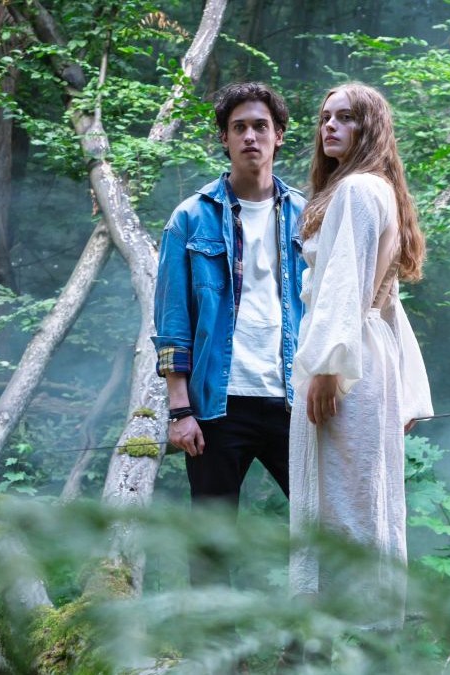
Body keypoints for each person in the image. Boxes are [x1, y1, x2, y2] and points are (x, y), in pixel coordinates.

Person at [152, 82, 306, 584]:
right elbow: (172, 322)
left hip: (294, 400)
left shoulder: (309, 216)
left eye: (261, 126)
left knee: (323, 529)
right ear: (224, 138)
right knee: (212, 545)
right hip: (218, 406)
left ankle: (317, 631)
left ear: (279, 135)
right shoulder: (190, 217)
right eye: (239, 127)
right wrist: (179, 410)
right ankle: (213, 634)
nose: (250, 136)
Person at [288, 82, 433, 601]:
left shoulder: (357, 191)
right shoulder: (379, 190)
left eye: (345, 117)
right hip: (367, 357)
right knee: (362, 492)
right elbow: (384, 301)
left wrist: (329, 368)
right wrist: (407, 388)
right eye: (326, 117)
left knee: (342, 498)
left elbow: (349, 289)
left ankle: (341, 622)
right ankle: (367, 622)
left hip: (347, 363)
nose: (330, 125)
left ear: (369, 128)